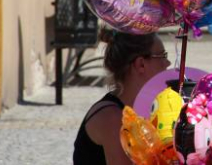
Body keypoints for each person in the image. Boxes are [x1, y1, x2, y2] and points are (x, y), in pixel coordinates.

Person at [73, 29, 170, 165]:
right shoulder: (113, 118)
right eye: (162, 56)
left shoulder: (139, 109)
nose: (168, 63)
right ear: (141, 64)